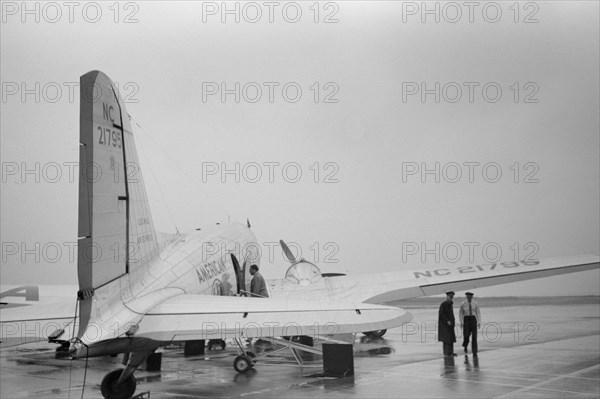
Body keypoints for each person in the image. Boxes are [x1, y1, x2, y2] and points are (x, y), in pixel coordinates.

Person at [459, 292, 481, 356]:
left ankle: (474, 351)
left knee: (474, 336)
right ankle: (465, 345)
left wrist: (479, 321)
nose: (469, 297)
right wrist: (461, 321)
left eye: (470, 296)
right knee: (466, 335)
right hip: (466, 319)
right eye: (468, 296)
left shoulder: (475, 303)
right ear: (466, 297)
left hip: (473, 319)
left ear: (472, 297)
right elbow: (461, 313)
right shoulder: (463, 304)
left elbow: (478, 313)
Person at [438, 291, 457, 357]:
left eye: (452, 297)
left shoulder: (450, 304)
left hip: (451, 324)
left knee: (451, 339)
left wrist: (453, 322)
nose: (451, 298)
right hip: (445, 325)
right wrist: (447, 321)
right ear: (447, 296)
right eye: (450, 296)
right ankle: (446, 353)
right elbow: (441, 314)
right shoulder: (444, 304)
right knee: (446, 339)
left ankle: (451, 352)